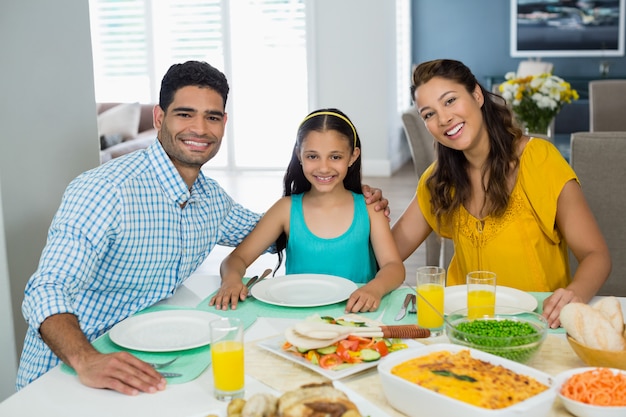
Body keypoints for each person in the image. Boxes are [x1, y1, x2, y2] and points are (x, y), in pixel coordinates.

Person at [18, 61, 388, 395]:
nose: (199, 128)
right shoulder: (105, 190)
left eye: (212, 117)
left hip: (156, 352)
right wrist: (86, 360)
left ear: (224, 124)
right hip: (70, 369)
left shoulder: (211, 199)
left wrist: (345, 203)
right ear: (160, 118)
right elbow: (47, 289)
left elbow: (275, 231)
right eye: (185, 114)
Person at [391, 59, 611, 329]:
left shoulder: (539, 160)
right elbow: (388, 254)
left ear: (476, 95)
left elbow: (596, 254)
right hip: (463, 331)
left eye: (449, 101)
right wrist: (358, 206)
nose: (443, 119)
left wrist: (575, 293)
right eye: (428, 114)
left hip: (538, 328)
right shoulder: (437, 180)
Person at [210, 109, 405, 312]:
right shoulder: (285, 210)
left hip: (356, 317)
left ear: (353, 156)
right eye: (313, 156)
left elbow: (393, 266)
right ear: (299, 155)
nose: (323, 168)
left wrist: (375, 288)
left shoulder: (370, 208)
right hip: (296, 318)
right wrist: (231, 280)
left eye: (335, 157)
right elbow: (236, 259)